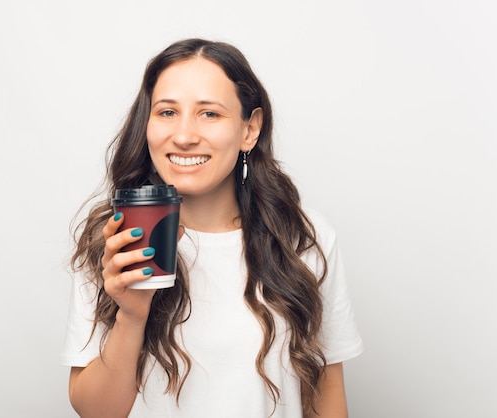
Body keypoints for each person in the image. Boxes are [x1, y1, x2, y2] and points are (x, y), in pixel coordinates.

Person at [62, 38, 363, 418]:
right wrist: (132, 315)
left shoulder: (302, 239)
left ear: (249, 129)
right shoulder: (116, 238)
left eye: (210, 114)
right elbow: (97, 412)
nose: (185, 136)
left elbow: (325, 389)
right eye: (167, 112)